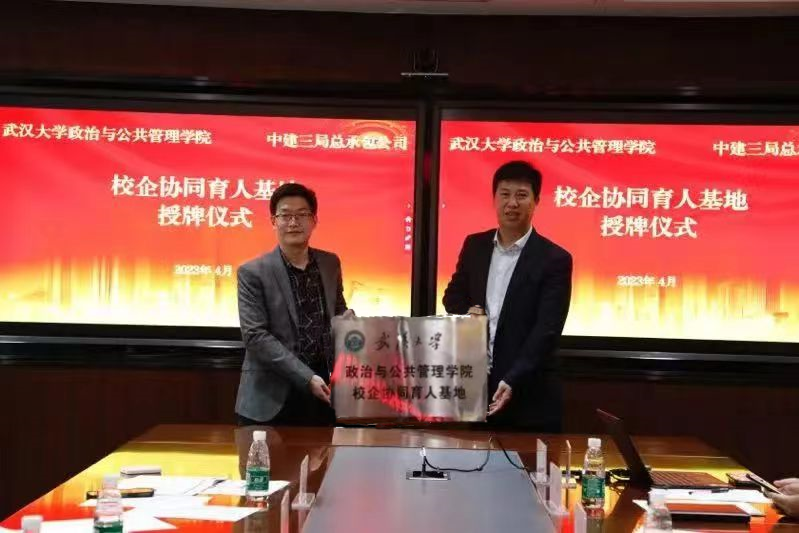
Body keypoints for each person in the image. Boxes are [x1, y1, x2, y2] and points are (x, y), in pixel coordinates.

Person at [443, 161, 572, 432]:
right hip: (480, 389)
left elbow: (547, 330)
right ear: (494, 198)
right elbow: (452, 298)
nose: (512, 203)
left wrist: (513, 379)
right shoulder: (475, 246)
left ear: (536, 201)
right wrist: (467, 314)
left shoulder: (555, 259)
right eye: (505, 194)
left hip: (529, 393)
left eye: (521, 195)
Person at [235, 183, 352, 426]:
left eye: (302, 214)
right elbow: (255, 336)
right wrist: (306, 377)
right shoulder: (252, 272)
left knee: (326, 452)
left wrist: (354, 326)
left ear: (314, 220)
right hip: (271, 398)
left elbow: (338, 312)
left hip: (324, 392)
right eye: (285, 215)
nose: (293, 222)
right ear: (273, 221)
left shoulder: (330, 263)